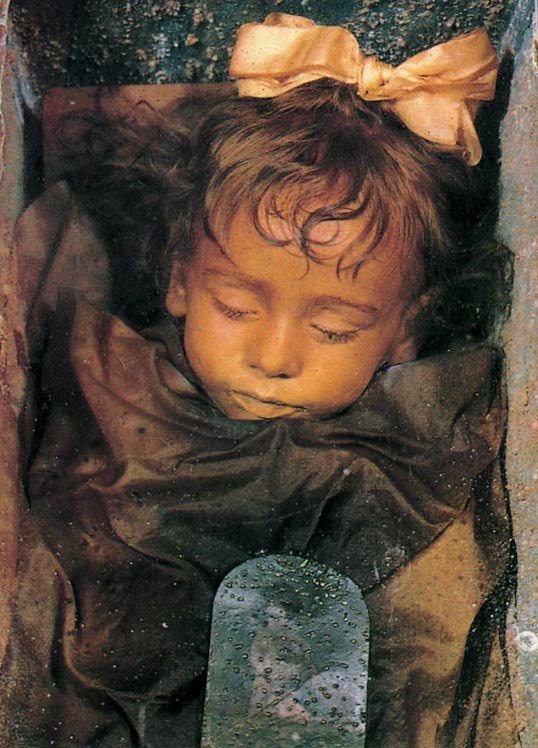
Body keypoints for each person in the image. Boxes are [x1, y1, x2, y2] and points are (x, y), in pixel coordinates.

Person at [2, 13, 519, 748]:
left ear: (405, 326)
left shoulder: (407, 451)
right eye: (237, 305)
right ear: (181, 279)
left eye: (334, 328)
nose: (275, 355)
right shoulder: (116, 392)